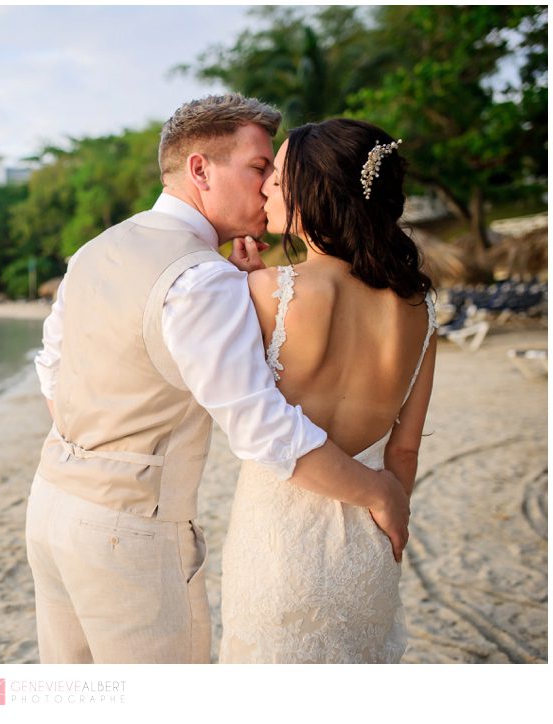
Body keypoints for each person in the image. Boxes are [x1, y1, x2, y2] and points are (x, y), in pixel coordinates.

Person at [25, 94, 411, 664]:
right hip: (130, 531)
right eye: (260, 169)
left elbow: (52, 372)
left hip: (50, 506)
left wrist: (99, 450)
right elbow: (259, 427)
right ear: (200, 169)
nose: (267, 188)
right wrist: (378, 488)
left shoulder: (95, 249)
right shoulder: (205, 278)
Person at [219, 118, 437, 663]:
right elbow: (403, 451)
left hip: (276, 547)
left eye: (277, 175)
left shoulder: (266, 292)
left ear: (313, 191)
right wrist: (391, 516)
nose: (266, 186)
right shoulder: (421, 309)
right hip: (369, 545)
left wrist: (245, 279)